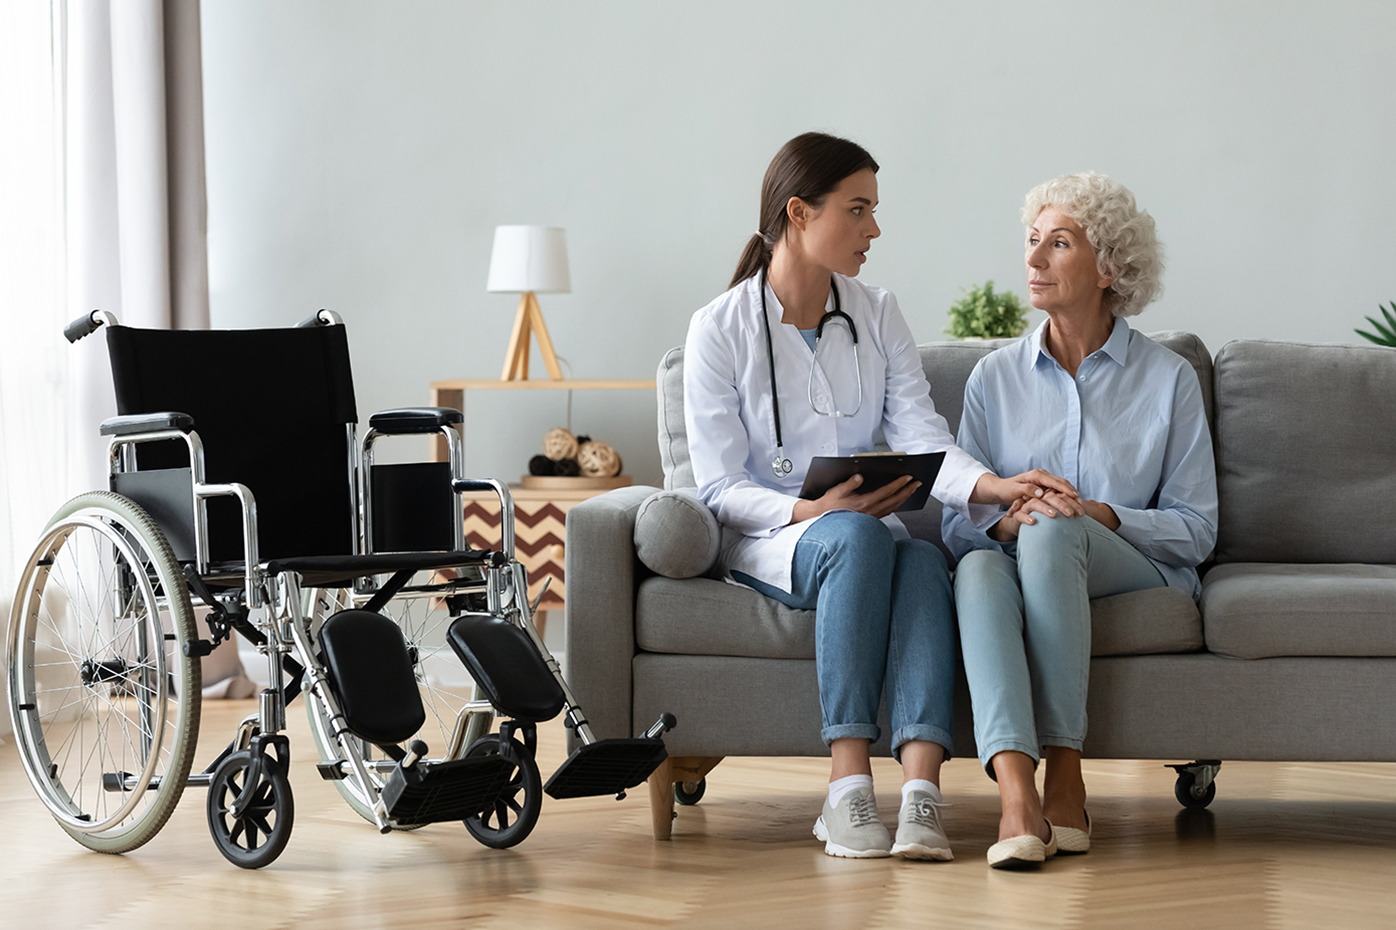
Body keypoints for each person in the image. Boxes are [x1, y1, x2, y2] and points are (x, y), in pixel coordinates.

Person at [684, 132, 1074, 860]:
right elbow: (717, 487)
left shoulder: (876, 311)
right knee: (862, 537)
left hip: (864, 534)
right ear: (800, 213)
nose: (875, 229)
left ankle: (922, 796)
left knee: (925, 561)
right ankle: (847, 789)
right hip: (778, 540)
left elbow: (923, 437)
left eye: (874, 210)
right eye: (857, 210)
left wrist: (991, 485)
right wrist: (809, 511)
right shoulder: (720, 329)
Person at [944, 172, 1218, 869]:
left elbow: (1195, 528)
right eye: (1032, 241)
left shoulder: (1168, 379)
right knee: (977, 569)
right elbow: (958, 524)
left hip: (1133, 569)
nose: (1033, 259)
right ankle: (1017, 795)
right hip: (1019, 555)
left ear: (1109, 267)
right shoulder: (993, 379)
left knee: (1055, 526)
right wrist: (1003, 523)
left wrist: (1099, 515)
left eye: (1057, 243)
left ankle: (1065, 767)